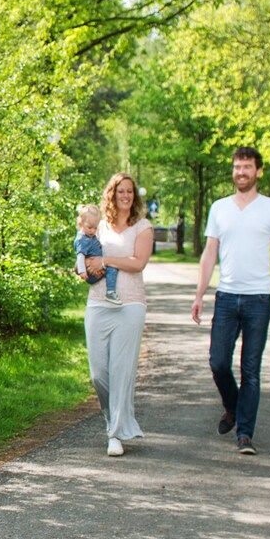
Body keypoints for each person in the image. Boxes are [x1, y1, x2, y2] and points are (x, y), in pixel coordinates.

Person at [189, 146, 270, 455]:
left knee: (251, 369)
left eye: (247, 167)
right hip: (226, 297)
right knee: (218, 362)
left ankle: (245, 434)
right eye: (237, 167)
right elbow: (209, 253)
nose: (241, 172)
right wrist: (199, 294)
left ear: (258, 171)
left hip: (259, 298)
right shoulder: (219, 208)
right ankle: (233, 407)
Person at [79, 173, 153, 458]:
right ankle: (113, 420)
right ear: (112, 194)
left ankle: (114, 433)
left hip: (130, 305)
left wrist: (106, 260)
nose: (126, 196)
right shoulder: (99, 226)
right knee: (98, 373)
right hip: (98, 303)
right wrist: (83, 266)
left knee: (122, 372)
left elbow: (138, 262)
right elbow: (86, 253)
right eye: (121, 191)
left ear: (134, 196)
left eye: (130, 192)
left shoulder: (142, 226)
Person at [75, 202, 120, 303]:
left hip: (96, 266)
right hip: (91, 271)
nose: (92, 231)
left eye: (95, 228)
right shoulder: (82, 239)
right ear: (81, 224)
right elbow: (80, 256)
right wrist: (82, 271)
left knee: (111, 266)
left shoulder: (89, 235)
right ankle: (110, 292)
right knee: (112, 268)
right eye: (89, 227)